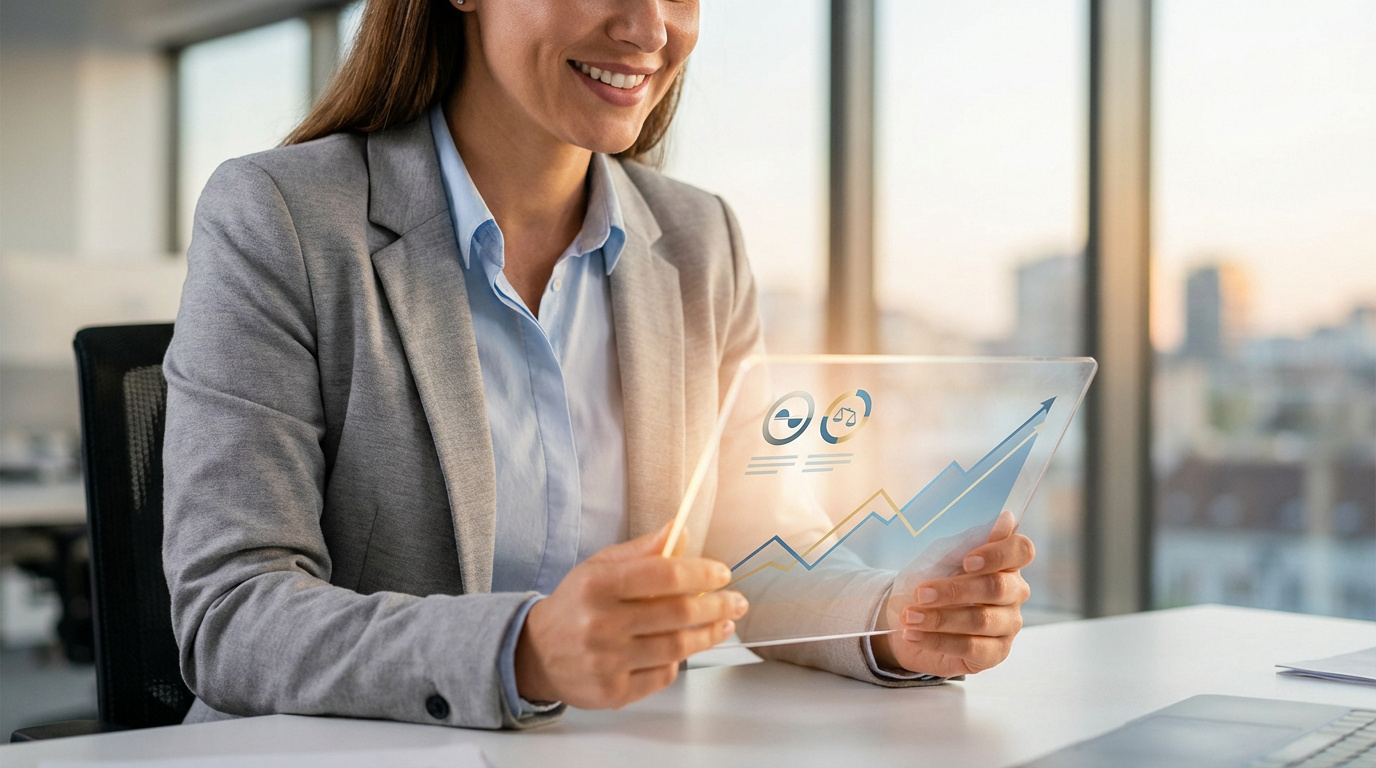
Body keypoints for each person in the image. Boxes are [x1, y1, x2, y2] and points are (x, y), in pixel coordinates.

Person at [163, 0, 1036, 730]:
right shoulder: (279, 218)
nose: (651, 28)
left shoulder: (700, 240)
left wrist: (893, 618)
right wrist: (526, 650)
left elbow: (750, 552)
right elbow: (234, 613)